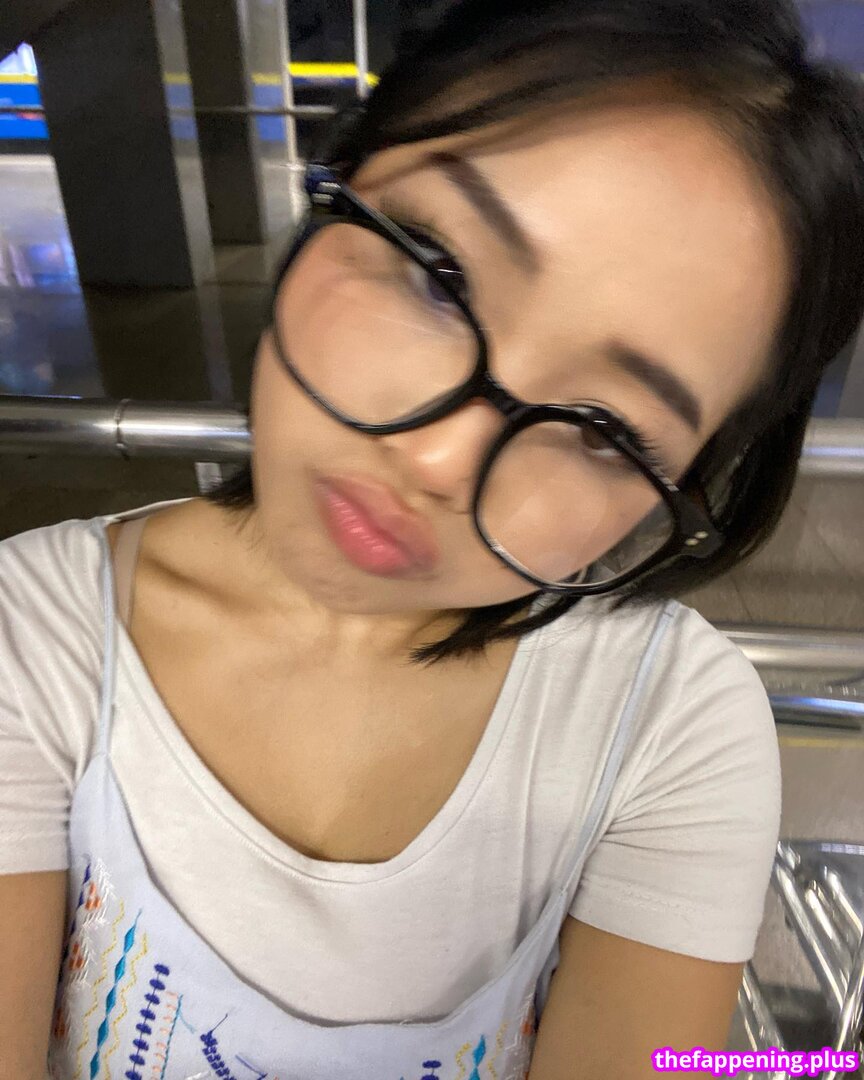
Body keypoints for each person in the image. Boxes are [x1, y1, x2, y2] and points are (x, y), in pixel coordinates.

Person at [2, 1, 864, 1077]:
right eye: (438, 274)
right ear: (337, 180)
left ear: (683, 491)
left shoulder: (667, 728)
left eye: (604, 431)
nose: (441, 462)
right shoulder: (31, 636)